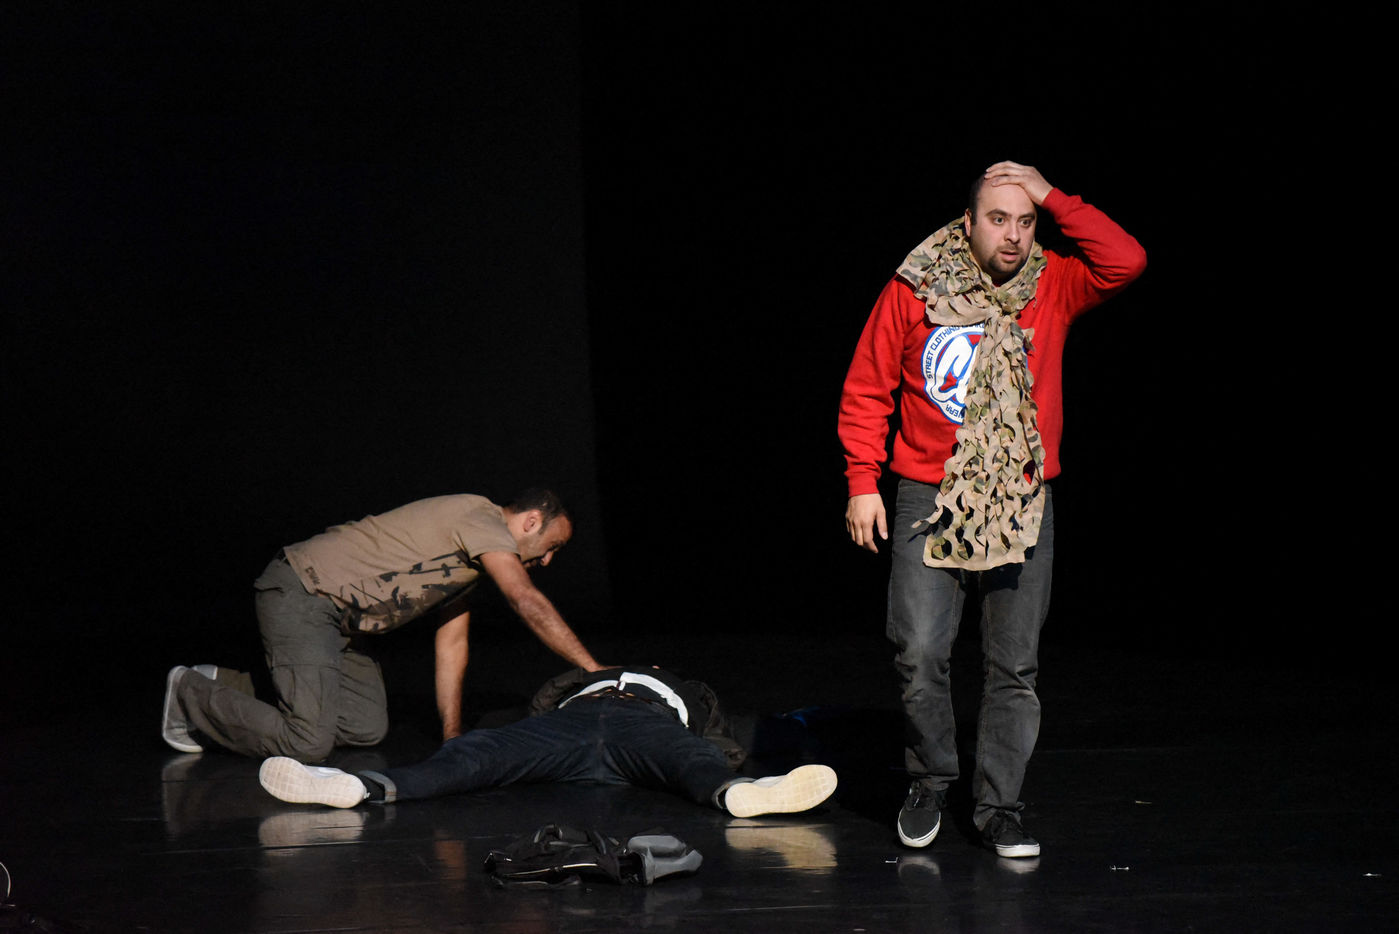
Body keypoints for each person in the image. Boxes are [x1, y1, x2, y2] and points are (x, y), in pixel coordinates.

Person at [838, 161, 1146, 858]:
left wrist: (1051, 194)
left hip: (1020, 495)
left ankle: (999, 807)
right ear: (969, 221)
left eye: (1025, 221)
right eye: (998, 219)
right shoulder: (916, 285)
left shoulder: (1052, 283)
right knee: (919, 650)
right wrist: (862, 481)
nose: (1013, 235)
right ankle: (930, 780)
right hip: (930, 493)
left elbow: (1125, 260)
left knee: (1014, 666)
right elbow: (868, 385)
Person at [162, 489, 605, 762]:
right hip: (304, 591)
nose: (547, 560)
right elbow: (525, 599)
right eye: (551, 546)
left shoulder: (473, 566)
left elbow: (452, 645)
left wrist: (451, 734)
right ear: (531, 521)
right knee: (307, 742)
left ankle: (223, 683)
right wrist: (593, 670)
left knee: (364, 726)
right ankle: (189, 693)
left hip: (341, 627)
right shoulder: (481, 518)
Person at [257, 665, 839, 820]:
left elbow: (740, 730)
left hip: (644, 726)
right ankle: (355, 786)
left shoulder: (681, 691)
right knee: (476, 755)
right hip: (570, 725)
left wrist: (803, 727)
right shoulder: (577, 683)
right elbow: (503, 724)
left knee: (694, 759)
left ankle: (741, 795)